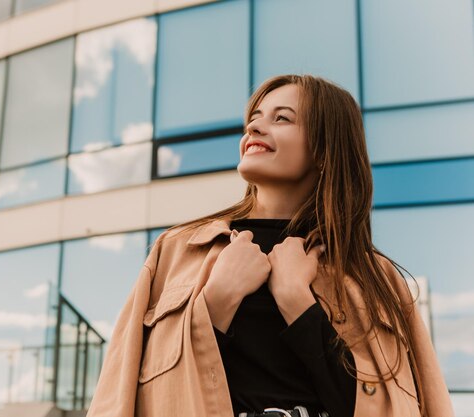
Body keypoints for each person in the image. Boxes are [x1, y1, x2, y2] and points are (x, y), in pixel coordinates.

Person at [85, 74, 454, 417]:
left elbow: (394, 406)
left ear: (325, 150)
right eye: (256, 117)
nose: (254, 126)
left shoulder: (376, 277)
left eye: (282, 118)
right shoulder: (176, 250)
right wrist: (215, 303)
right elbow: (121, 395)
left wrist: (298, 303)